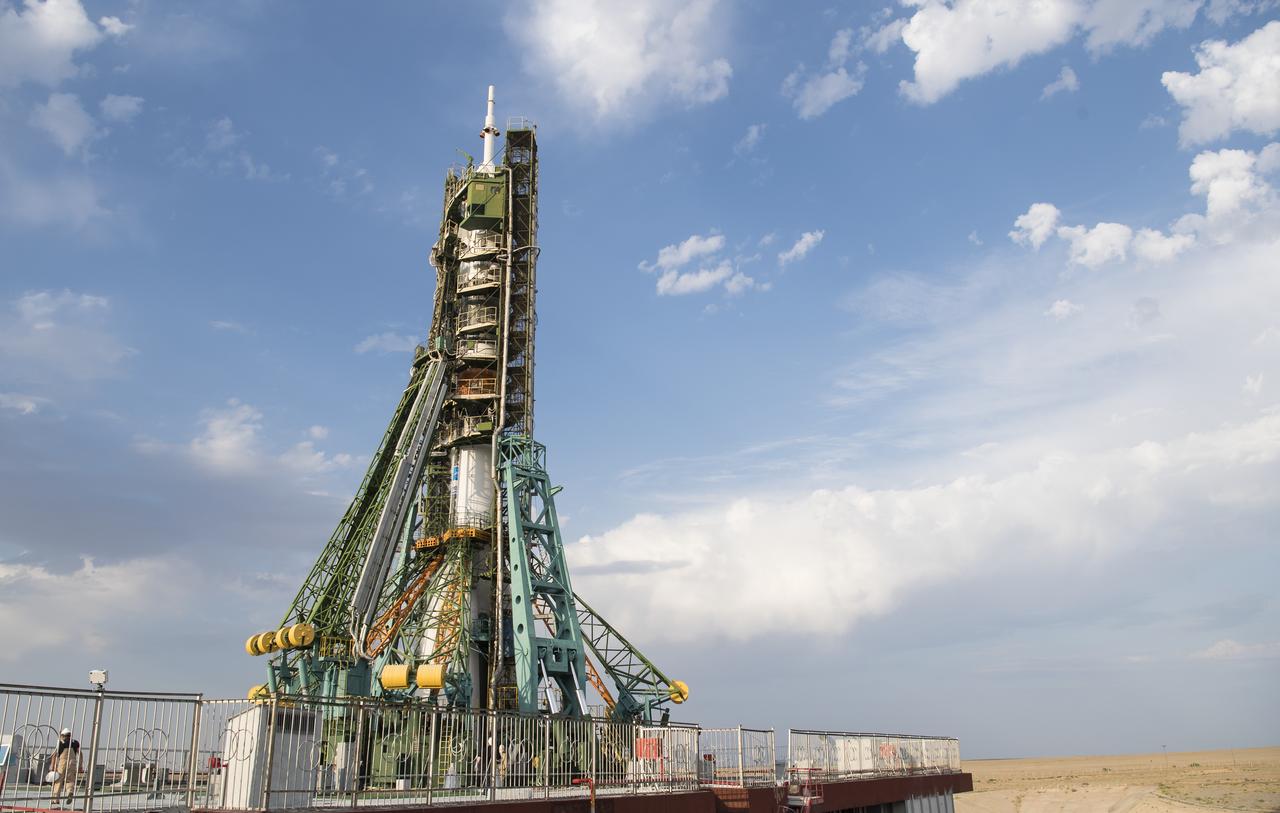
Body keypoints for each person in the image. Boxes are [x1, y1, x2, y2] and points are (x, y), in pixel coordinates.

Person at [49, 728, 80, 808]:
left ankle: (55, 799)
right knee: (70, 780)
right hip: (72, 763)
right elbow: (80, 753)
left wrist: (53, 766)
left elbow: (54, 755)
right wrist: (80, 765)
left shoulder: (60, 743)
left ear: (63, 735)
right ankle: (70, 791)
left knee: (58, 780)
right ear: (70, 735)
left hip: (62, 763)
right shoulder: (75, 743)